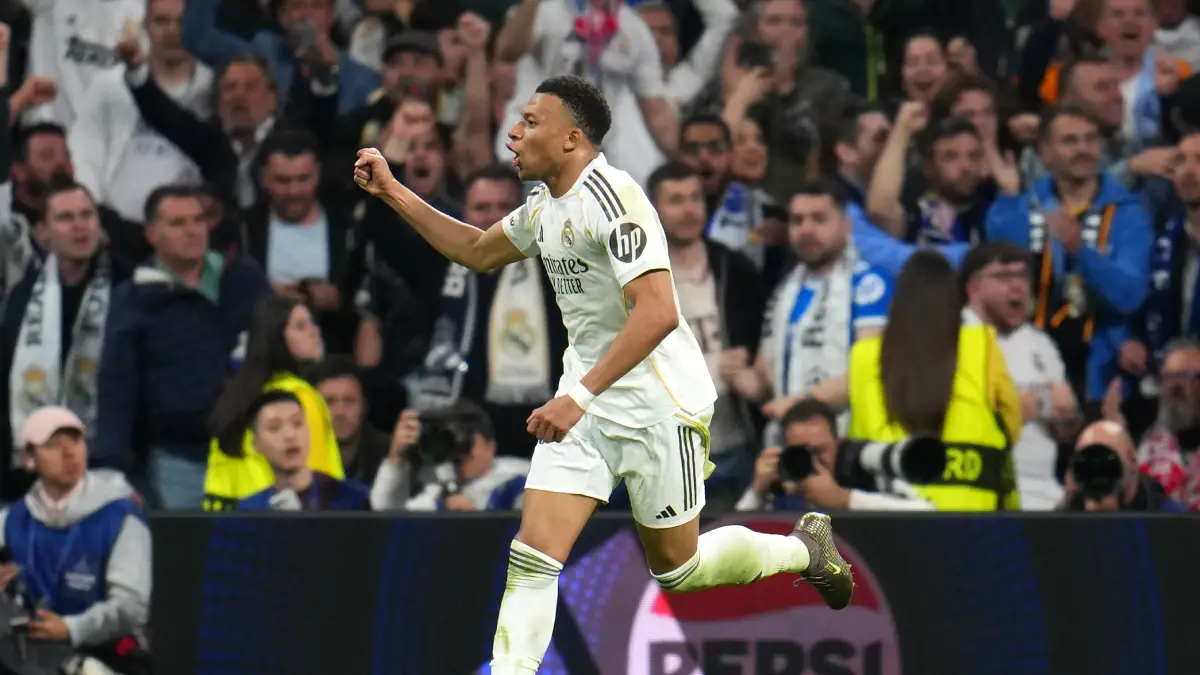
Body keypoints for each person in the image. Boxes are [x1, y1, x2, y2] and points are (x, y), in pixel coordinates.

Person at [353, 73, 855, 675]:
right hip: (586, 401)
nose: (513, 133)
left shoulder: (614, 198)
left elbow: (660, 312)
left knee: (681, 568)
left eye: (530, 123)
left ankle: (803, 549)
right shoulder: (545, 204)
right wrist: (393, 192)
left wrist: (578, 397)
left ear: (571, 139)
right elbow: (476, 249)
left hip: (659, 401)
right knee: (533, 555)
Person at [847, 250, 1024, 511]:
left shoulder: (862, 356)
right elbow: (1011, 425)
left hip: (888, 516)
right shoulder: (981, 345)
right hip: (975, 518)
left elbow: (858, 440)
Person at [203, 296, 344, 511]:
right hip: (284, 526)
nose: (314, 332)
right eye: (300, 327)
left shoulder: (235, 396)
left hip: (230, 526)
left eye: (312, 323)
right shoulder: (298, 398)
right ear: (277, 337)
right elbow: (314, 476)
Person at [238, 391, 370, 511]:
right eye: (275, 428)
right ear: (255, 444)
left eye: (297, 423)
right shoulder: (250, 511)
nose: (290, 435)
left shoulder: (352, 499)